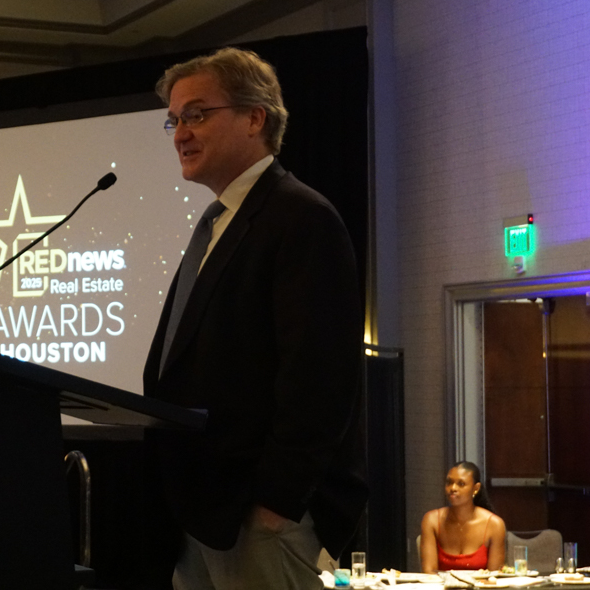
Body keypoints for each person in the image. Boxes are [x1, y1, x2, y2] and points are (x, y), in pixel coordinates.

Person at [143, 47, 367, 590]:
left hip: (257, 516)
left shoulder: (301, 217)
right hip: (202, 512)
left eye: (197, 115)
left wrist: (276, 504)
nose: (180, 134)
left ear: (254, 118)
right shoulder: (220, 221)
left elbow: (320, 377)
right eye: (175, 120)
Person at [420, 461, 507, 572]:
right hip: (441, 583)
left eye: (461, 484)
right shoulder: (432, 520)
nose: (453, 488)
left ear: (476, 488)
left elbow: (494, 576)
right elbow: (429, 572)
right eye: (449, 482)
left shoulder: (494, 525)